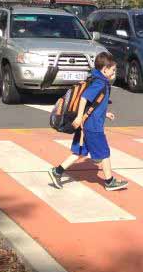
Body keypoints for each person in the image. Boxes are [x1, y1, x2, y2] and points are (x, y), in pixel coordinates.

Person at [49, 52, 128, 192]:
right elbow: (84, 98)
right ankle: (109, 181)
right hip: (92, 127)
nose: (114, 73)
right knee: (104, 153)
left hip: (88, 124)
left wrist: (105, 113)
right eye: (113, 70)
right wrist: (79, 117)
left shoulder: (98, 80)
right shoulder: (100, 83)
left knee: (79, 152)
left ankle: (57, 171)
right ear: (104, 69)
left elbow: (96, 104)